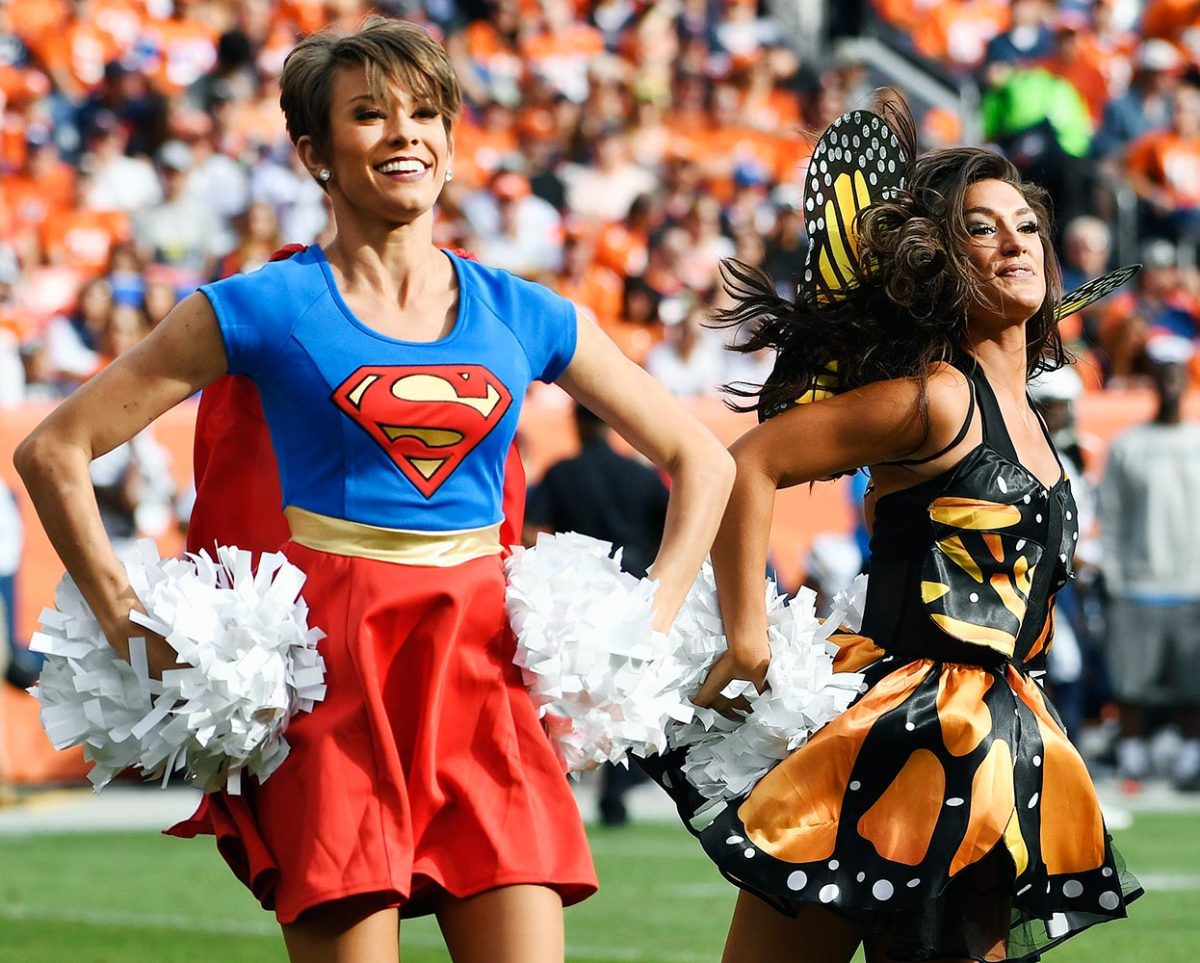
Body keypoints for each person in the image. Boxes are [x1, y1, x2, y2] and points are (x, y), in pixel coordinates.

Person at [13, 17, 734, 963]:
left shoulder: (523, 310)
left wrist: (648, 618)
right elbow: (55, 449)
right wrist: (125, 622)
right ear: (314, 153)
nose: (406, 134)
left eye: (426, 114)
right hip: (333, 695)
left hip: (485, 686)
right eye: (369, 115)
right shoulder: (259, 306)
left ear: (451, 141)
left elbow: (704, 458)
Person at [644, 100, 1140, 962]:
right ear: (943, 261)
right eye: (982, 228)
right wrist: (748, 640)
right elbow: (749, 462)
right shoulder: (941, 396)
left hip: (1000, 738)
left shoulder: (1033, 417)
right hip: (890, 730)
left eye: (1027, 226)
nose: (1016, 243)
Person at [525, 402, 670, 826]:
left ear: (576, 422)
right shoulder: (642, 476)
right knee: (627, 694)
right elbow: (674, 530)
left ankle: (562, 778)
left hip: (575, 590)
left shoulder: (562, 473)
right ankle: (617, 790)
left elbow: (530, 527)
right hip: (635, 591)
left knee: (568, 690)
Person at [1098, 335, 1200, 792]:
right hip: (1138, 584)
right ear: (1154, 382)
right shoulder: (1127, 445)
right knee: (1131, 681)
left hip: (1194, 584)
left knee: (1193, 682)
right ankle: (1132, 757)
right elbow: (1112, 516)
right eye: (1164, 376)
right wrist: (1116, 576)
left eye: (1177, 375)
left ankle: (1190, 759)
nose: (1171, 384)